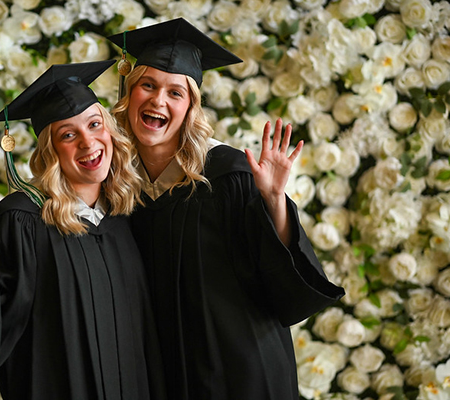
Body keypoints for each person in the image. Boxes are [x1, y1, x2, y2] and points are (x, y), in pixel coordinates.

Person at [109, 18, 345, 399]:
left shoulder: (226, 173)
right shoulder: (118, 179)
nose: (158, 101)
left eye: (175, 93)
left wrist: (273, 200)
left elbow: (277, 270)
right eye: (147, 86)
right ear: (129, 93)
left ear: (190, 107)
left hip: (240, 365)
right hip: (166, 370)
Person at [0, 61, 167, 400]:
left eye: (94, 124)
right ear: (51, 150)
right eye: (68, 135)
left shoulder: (128, 211)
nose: (89, 143)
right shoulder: (22, 221)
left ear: (110, 131)